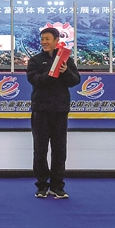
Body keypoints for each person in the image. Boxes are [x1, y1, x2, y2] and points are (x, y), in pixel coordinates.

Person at [26, 27, 81, 199]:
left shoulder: (66, 60)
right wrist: (52, 73)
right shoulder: (35, 60)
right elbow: (35, 80)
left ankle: (57, 186)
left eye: (47, 39)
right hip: (41, 111)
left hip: (60, 111)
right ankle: (42, 185)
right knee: (40, 150)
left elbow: (75, 80)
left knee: (59, 150)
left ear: (57, 40)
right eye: (42, 39)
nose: (44, 42)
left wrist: (65, 72)